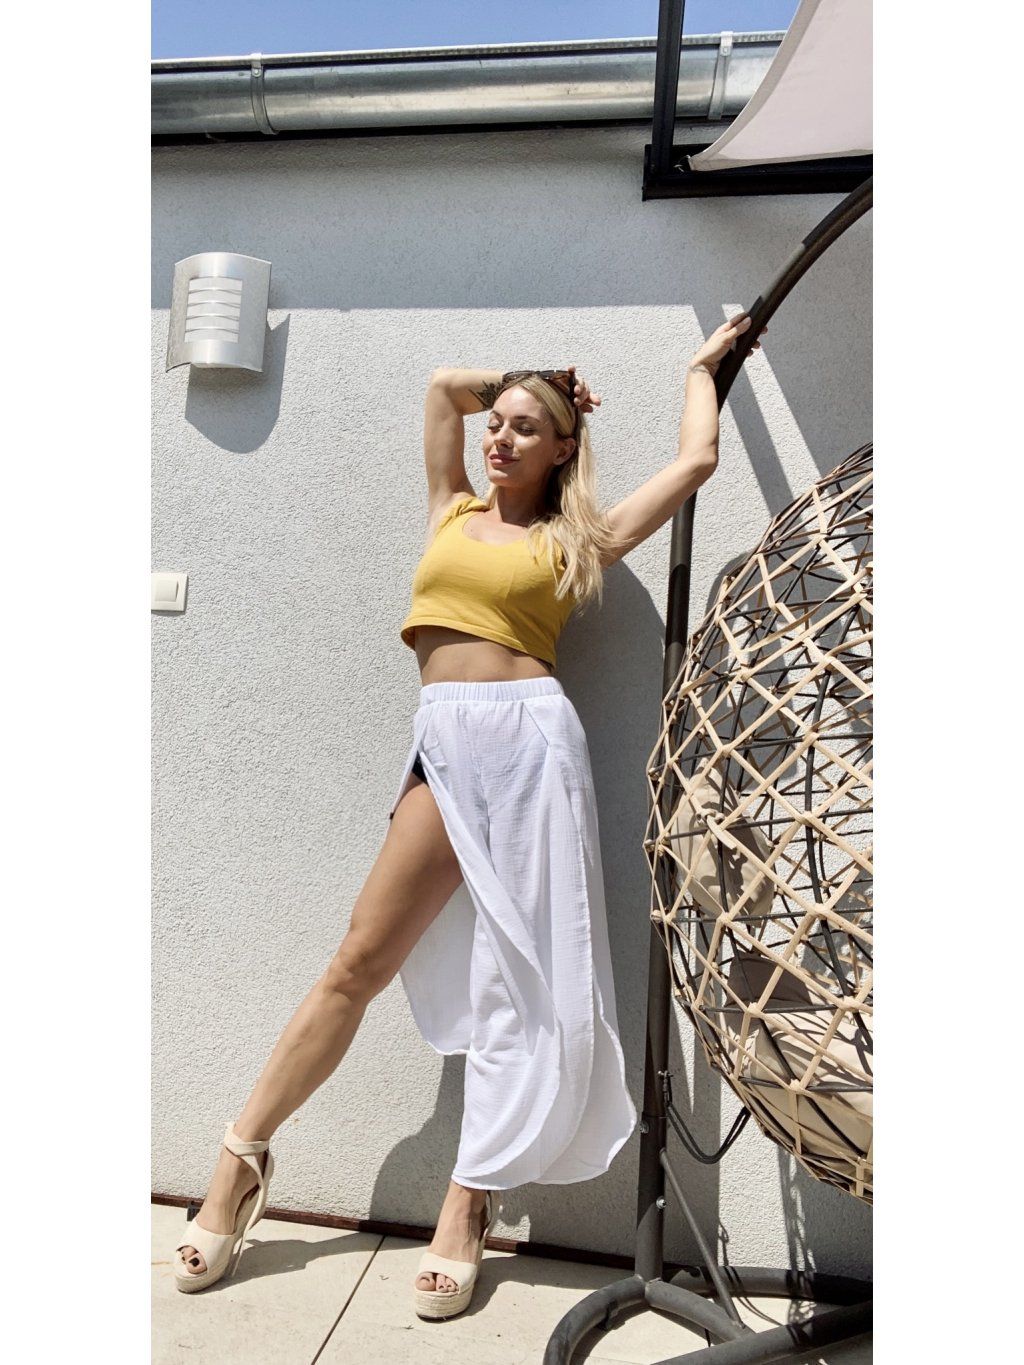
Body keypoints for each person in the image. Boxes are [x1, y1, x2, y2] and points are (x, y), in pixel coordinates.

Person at [171, 313, 764, 1315]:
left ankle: (469, 1198)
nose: (501, 435)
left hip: (531, 745)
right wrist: (533, 379)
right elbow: (445, 385)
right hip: (445, 740)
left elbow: (696, 460)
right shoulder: (449, 508)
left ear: (563, 450)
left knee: (522, 982)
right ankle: (241, 1158)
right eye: (500, 423)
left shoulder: (578, 538)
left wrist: (702, 369)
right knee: (358, 959)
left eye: (527, 427)